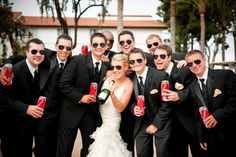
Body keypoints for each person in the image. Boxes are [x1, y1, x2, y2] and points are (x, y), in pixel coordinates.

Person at [57, 32, 109, 157]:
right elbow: (63, 84)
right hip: (70, 112)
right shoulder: (78, 60)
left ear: (106, 46)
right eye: (95, 44)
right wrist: (81, 97)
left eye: (102, 44)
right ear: (91, 46)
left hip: (91, 114)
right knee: (64, 150)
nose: (98, 47)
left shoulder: (107, 66)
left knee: (89, 150)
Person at [153, 44, 204, 157]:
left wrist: (179, 95)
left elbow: (195, 88)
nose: (158, 59)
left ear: (169, 57)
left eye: (162, 56)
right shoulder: (156, 73)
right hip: (171, 124)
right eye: (155, 57)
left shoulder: (184, 69)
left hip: (189, 120)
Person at [185, 50, 236, 157]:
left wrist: (217, 115)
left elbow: (234, 100)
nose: (194, 65)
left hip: (229, 132)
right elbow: (196, 114)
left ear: (204, 60)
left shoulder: (225, 75)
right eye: (190, 64)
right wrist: (200, 137)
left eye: (197, 61)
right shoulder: (191, 85)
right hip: (209, 137)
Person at [33, 34, 73, 157]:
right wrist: (7, 65)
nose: (64, 51)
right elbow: (16, 58)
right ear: (56, 46)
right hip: (44, 111)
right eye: (61, 47)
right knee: (42, 145)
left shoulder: (74, 62)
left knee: (57, 146)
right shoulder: (45, 55)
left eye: (68, 48)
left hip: (62, 113)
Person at [7, 38, 47, 157]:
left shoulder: (42, 68)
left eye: (41, 52)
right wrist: (26, 108)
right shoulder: (13, 72)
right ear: (26, 52)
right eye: (34, 51)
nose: (38, 55)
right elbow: (4, 100)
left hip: (31, 126)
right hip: (13, 127)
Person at [128, 48, 171, 157]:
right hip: (141, 122)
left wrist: (156, 124)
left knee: (162, 153)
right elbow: (131, 100)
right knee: (142, 153)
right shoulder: (130, 78)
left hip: (161, 121)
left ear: (145, 60)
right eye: (132, 61)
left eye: (139, 60)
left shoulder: (161, 76)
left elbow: (167, 104)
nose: (136, 63)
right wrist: (134, 108)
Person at [87, 54, 133, 157]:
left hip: (112, 120)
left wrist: (112, 95)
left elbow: (120, 108)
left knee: (105, 147)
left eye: (118, 67)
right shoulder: (108, 74)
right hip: (98, 117)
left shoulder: (128, 84)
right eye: (113, 67)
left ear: (126, 67)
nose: (115, 70)